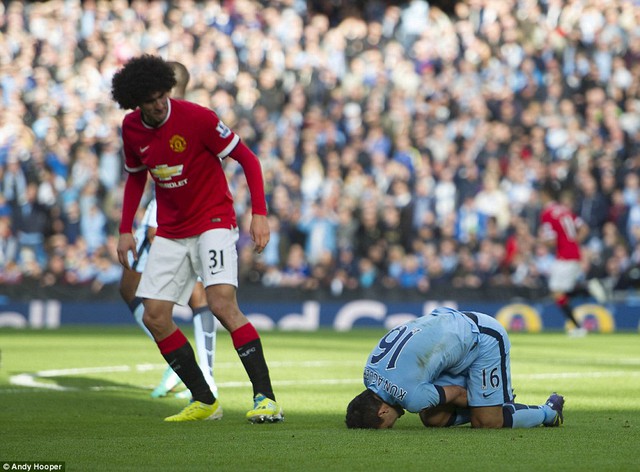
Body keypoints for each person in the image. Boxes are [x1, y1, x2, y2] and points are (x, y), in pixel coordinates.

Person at [111, 54, 282, 423]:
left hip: (213, 220)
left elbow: (248, 159)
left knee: (222, 304)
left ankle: (266, 398)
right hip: (172, 230)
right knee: (156, 317)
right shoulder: (131, 129)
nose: (160, 104)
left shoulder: (197, 117)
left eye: (163, 95)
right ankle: (205, 401)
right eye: (151, 99)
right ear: (135, 102)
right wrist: (126, 228)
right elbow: (136, 176)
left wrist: (260, 213)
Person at [118, 61, 219, 403]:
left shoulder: (192, 118)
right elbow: (145, 174)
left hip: (187, 216)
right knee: (129, 287)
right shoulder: (147, 124)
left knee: (199, 296)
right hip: (160, 210)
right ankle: (180, 359)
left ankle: (200, 374)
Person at [345, 306, 565, 429]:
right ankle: (492, 403)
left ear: (382, 411)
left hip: (481, 336)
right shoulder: (369, 371)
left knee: (487, 422)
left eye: (388, 426)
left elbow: (459, 394)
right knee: (433, 418)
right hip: (447, 330)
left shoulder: (412, 398)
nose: (394, 423)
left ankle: (548, 412)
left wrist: (488, 402)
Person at [539, 182, 607, 337]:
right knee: (561, 292)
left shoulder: (547, 213)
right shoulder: (565, 211)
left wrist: (538, 242)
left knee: (557, 293)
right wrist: (574, 241)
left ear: (544, 195)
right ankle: (577, 326)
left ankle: (586, 291)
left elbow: (552, 240)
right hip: (573, 253)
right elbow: (584, 228)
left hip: (564, 255)